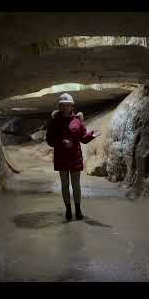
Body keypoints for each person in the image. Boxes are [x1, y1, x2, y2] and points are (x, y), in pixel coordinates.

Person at [46, 93, 101, 221]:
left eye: (68, 105)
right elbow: (49, 140)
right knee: (65, 185)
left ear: (72, 106)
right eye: (63, 105)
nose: (65, 107)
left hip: (75, 157)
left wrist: (92, 135)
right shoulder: (54, 122)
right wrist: (61, 143)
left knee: (76, 185)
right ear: (59, 106)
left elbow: (83, 139)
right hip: (61, 157)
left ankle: (78, 209)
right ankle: (68, 210)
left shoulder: (77, 121)